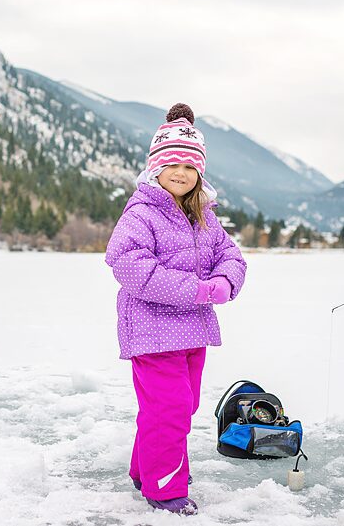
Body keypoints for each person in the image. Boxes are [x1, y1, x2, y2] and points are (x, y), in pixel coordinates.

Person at [104, 103, 248, 515]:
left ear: (199, 173)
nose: (181, 172)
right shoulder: (142, 212)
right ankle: (165, 489)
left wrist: (224, 282)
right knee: (168, 410)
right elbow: (126, 263)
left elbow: (231, 256)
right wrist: (197, 290)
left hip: (192, 333)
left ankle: (145, 469)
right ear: (155, 168)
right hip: (152, 332)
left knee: (178, 408)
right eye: (172, 164)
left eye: (190, 165)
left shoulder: (203, 216)